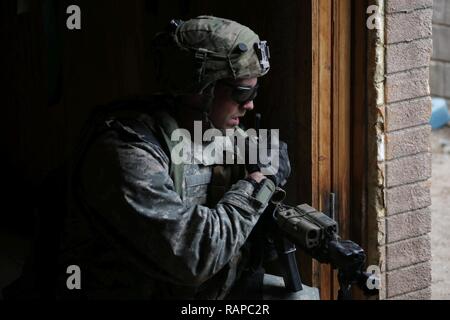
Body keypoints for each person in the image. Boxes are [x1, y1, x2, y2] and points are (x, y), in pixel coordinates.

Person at [56, 15, 292, 300]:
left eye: (255, 90)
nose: (250, 104)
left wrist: (269, 158)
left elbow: (260, 155)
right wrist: (260, 182)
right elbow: (194, 256)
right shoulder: (126, 152)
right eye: (243, 92)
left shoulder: (212, 128)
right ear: (200, 90)